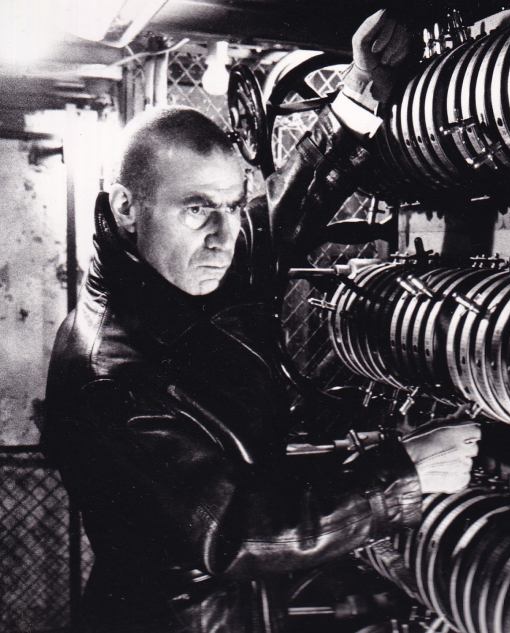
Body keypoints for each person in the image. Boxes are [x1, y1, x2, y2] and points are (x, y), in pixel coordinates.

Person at [42, 11, 480, 633]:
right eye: (197, 208)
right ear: (126, 208)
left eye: (231, 204)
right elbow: (234, 535)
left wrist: (360, 91)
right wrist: (400, 478)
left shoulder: (179, 269)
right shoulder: (110, 374)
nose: (224, 236)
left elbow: (278, 215)